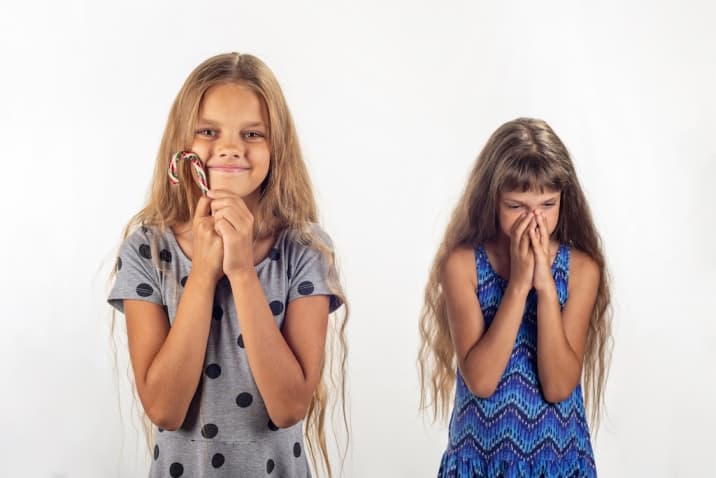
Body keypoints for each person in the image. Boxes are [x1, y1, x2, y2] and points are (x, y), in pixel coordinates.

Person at [109, 52, 347, 477]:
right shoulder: (146, 250)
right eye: (208, 131)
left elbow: (290, 405)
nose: (231, 147)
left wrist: (240, 271)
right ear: (182, 143)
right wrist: (202, 275)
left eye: (252, 133)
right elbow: (164, 409)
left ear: (278, 147)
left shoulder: (306, 250)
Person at [418, 118, 612, 477]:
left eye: (547, 204)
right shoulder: (463, 265)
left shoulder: (582, 270)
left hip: (557, 463)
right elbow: (481, 380)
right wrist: (519, 285)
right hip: (480, 462)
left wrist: (545, 288)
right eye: (517, 206)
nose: (534, 220)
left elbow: (557, 387)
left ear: (564, 201)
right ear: (492, 200)